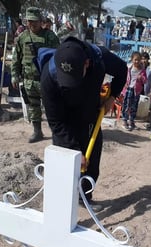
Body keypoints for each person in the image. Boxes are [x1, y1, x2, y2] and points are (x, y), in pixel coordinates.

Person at [40, 36, 127, 212]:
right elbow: (56, 122)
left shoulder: (99, 57)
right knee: (65, 161)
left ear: (86, 64)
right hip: (64, 119)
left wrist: (112, 97)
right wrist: (75, 150)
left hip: (89, 117)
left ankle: (84, 198)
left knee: (91, 163)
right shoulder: (48, 76)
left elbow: (122, 70)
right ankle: (61, 204)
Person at [11, 7, 59, 143]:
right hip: (29, 80)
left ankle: (56, 133)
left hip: (46, 80)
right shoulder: (22, 37)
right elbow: (16, 58)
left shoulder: (50, 36)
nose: (32, 24)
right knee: (33, 107)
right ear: (26, 22)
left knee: (51, 107)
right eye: (30, 21)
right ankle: (37, 131)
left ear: (41, 21)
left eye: (35, 21)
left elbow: (58, 57)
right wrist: (14, 75)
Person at [120, 51, 147, 131]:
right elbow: (123, 77)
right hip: (128, 89)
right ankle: (125, 121)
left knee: (134, 107)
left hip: (136, 91)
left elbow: (145, 81)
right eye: (135, 60)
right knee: (126, 105)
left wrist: (141, 78)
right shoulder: (129, 68)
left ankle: (132, 121)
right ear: (132, 60)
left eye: (138, 60)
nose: (137, 62)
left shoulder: (142, 70)